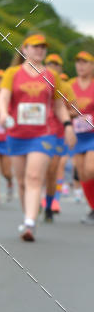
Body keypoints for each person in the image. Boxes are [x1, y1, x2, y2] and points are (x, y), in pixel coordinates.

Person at [0, 35, 75, 241]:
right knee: (22, 181)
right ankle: (28, 216)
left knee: (34, 177)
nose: (40, 50)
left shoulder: (52, 76)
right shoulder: (12, 73)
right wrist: (4, 114)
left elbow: (58, 105)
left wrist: (67, 125)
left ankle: (30, 222)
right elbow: (4, 96)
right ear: (25, 49)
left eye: (43, 48)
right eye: (36, 47)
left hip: (43, 134)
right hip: (16, 134)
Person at [40, 54, 70, 220]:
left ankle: (50, 205)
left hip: (58, 134)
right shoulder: (39, 81)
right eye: (50, 64)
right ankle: (36, 200)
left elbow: (75, 109)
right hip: (38, 133)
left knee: (52, 171)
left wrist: (64, 112)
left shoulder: (65, 86)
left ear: (60, 68)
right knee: (38, 171)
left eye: (56, 64)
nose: (52, 66)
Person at [67, 51, 94, 225]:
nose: (81, 66)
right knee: (83, 174)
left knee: (91, 168)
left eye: (85, 62)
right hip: (77, 136)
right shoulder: (69, 85)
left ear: (92, 66)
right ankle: (92, 207)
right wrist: (71, 116)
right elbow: (61, 106)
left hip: (93, 135)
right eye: (78, 62)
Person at [0, 69, 13, 203]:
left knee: (6, 172)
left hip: (6, 140)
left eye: (0, 79)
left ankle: (9, 181)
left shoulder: (8, 97)